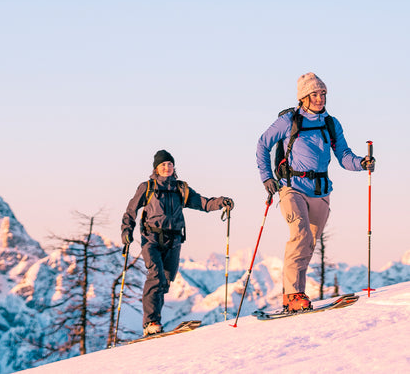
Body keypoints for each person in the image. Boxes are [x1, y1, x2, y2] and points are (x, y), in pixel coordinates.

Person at [256, 73, 375, 312]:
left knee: (309, 243)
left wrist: (361, 163)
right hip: (292, 188)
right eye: (314, 94)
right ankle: (292, 293)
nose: (320, 98)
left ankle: (293, 294)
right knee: (299, 235)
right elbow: (262, 144)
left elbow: (343, 155)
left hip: (321, 191)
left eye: (323, 94)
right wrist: (267, 177)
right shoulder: (289, 121)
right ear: (303, 97)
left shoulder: (331, 123)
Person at [121, 149, 234, 336]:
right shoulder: (147, 187)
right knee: (155, 277)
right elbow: (131, 211)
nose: (167, 167)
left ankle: (154, 322)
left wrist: (221, 202)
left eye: (170, 164)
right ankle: (150, 323)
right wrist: (126, 232)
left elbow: (203, 203)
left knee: (165, 282)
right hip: (151, 240)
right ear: (156, 168)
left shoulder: (181, 189)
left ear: (174, 167)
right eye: (163, 165)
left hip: (174, 241)